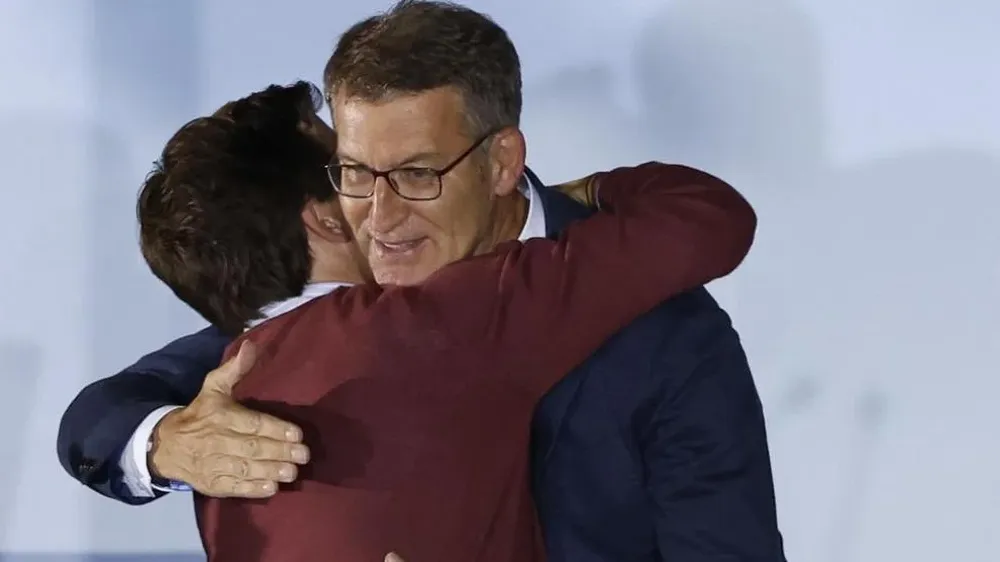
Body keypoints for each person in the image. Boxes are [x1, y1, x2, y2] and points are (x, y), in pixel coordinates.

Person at [58, 2, 786, 560]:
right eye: (352, 173)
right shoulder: (292, 330)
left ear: (502, 162)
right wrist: (168, 444)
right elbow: (100, 416)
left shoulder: (667, 333)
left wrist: (594, 193)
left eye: (415, 174)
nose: (379, 216)